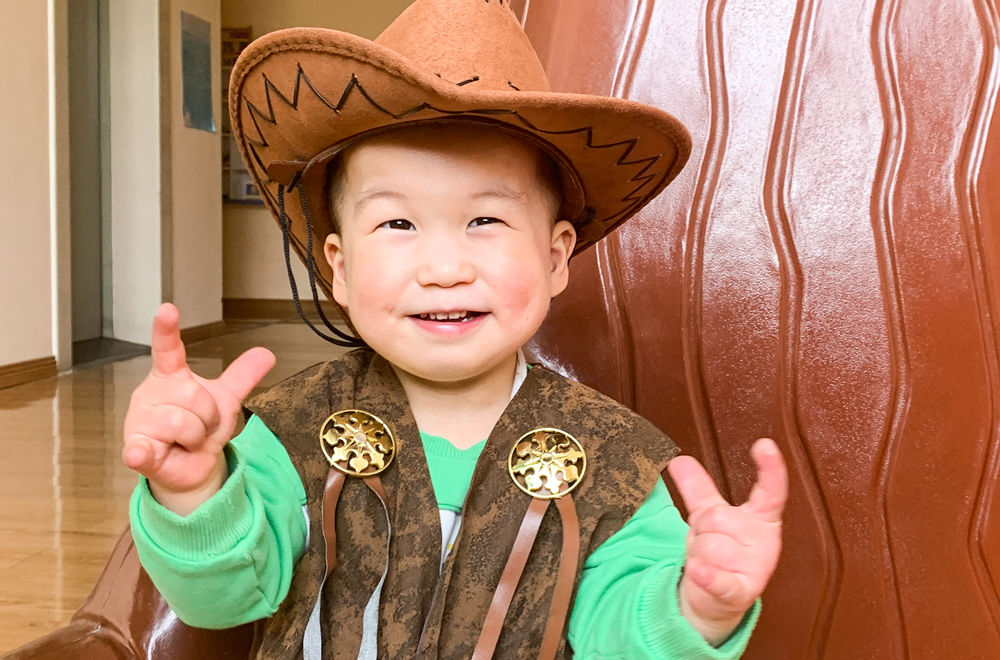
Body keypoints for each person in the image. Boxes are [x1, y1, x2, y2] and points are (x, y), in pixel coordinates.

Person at [121, 1, 787, 658]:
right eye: (398, 224)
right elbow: (223, 601)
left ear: (555, 257)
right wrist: (194, 491)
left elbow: (628, 639)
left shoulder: (617, 464)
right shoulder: (287, 433)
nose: (444, 269)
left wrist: (698, 609)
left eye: (486, 222)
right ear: (341, 267)